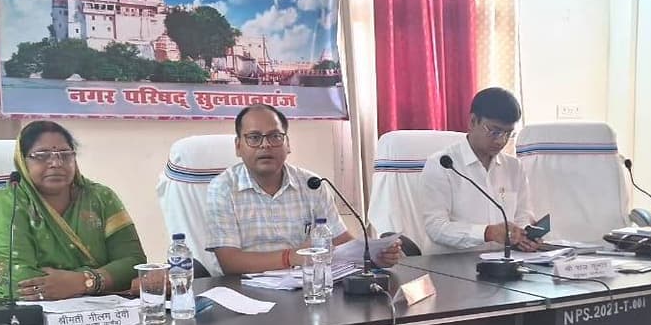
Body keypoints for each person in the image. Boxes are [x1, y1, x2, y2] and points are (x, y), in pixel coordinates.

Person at [206, 104, 401, 275]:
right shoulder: (222, 188)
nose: (265, 145)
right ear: (238, 146)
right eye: (254, 138)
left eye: (275, 136)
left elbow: (340, 240)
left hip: (303, 285)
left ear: (288, 144)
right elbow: (229, 262)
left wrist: (373, 255)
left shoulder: (311, 184)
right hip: (240, 290)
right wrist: (290, 257)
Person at [0, 120, 147, 301]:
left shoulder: (100, 197)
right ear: (22, 161)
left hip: (101, 309)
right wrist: (102, 278)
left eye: (66, 155)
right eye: (42, 155)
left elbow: (134, 263)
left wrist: (81, 282)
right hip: (21, 311)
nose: (56, 163)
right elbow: (19, 283)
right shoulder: (8, 203)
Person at [420, 87, 539, 253]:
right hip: (452, 263)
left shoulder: (514, 167)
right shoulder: (442, 165)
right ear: (472, 121)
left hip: (505, 261)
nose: (501, 141)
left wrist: (525, 236)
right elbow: (436, 227)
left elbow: (523, 215)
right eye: (495, 131)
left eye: (508, 133)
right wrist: (487, 233)